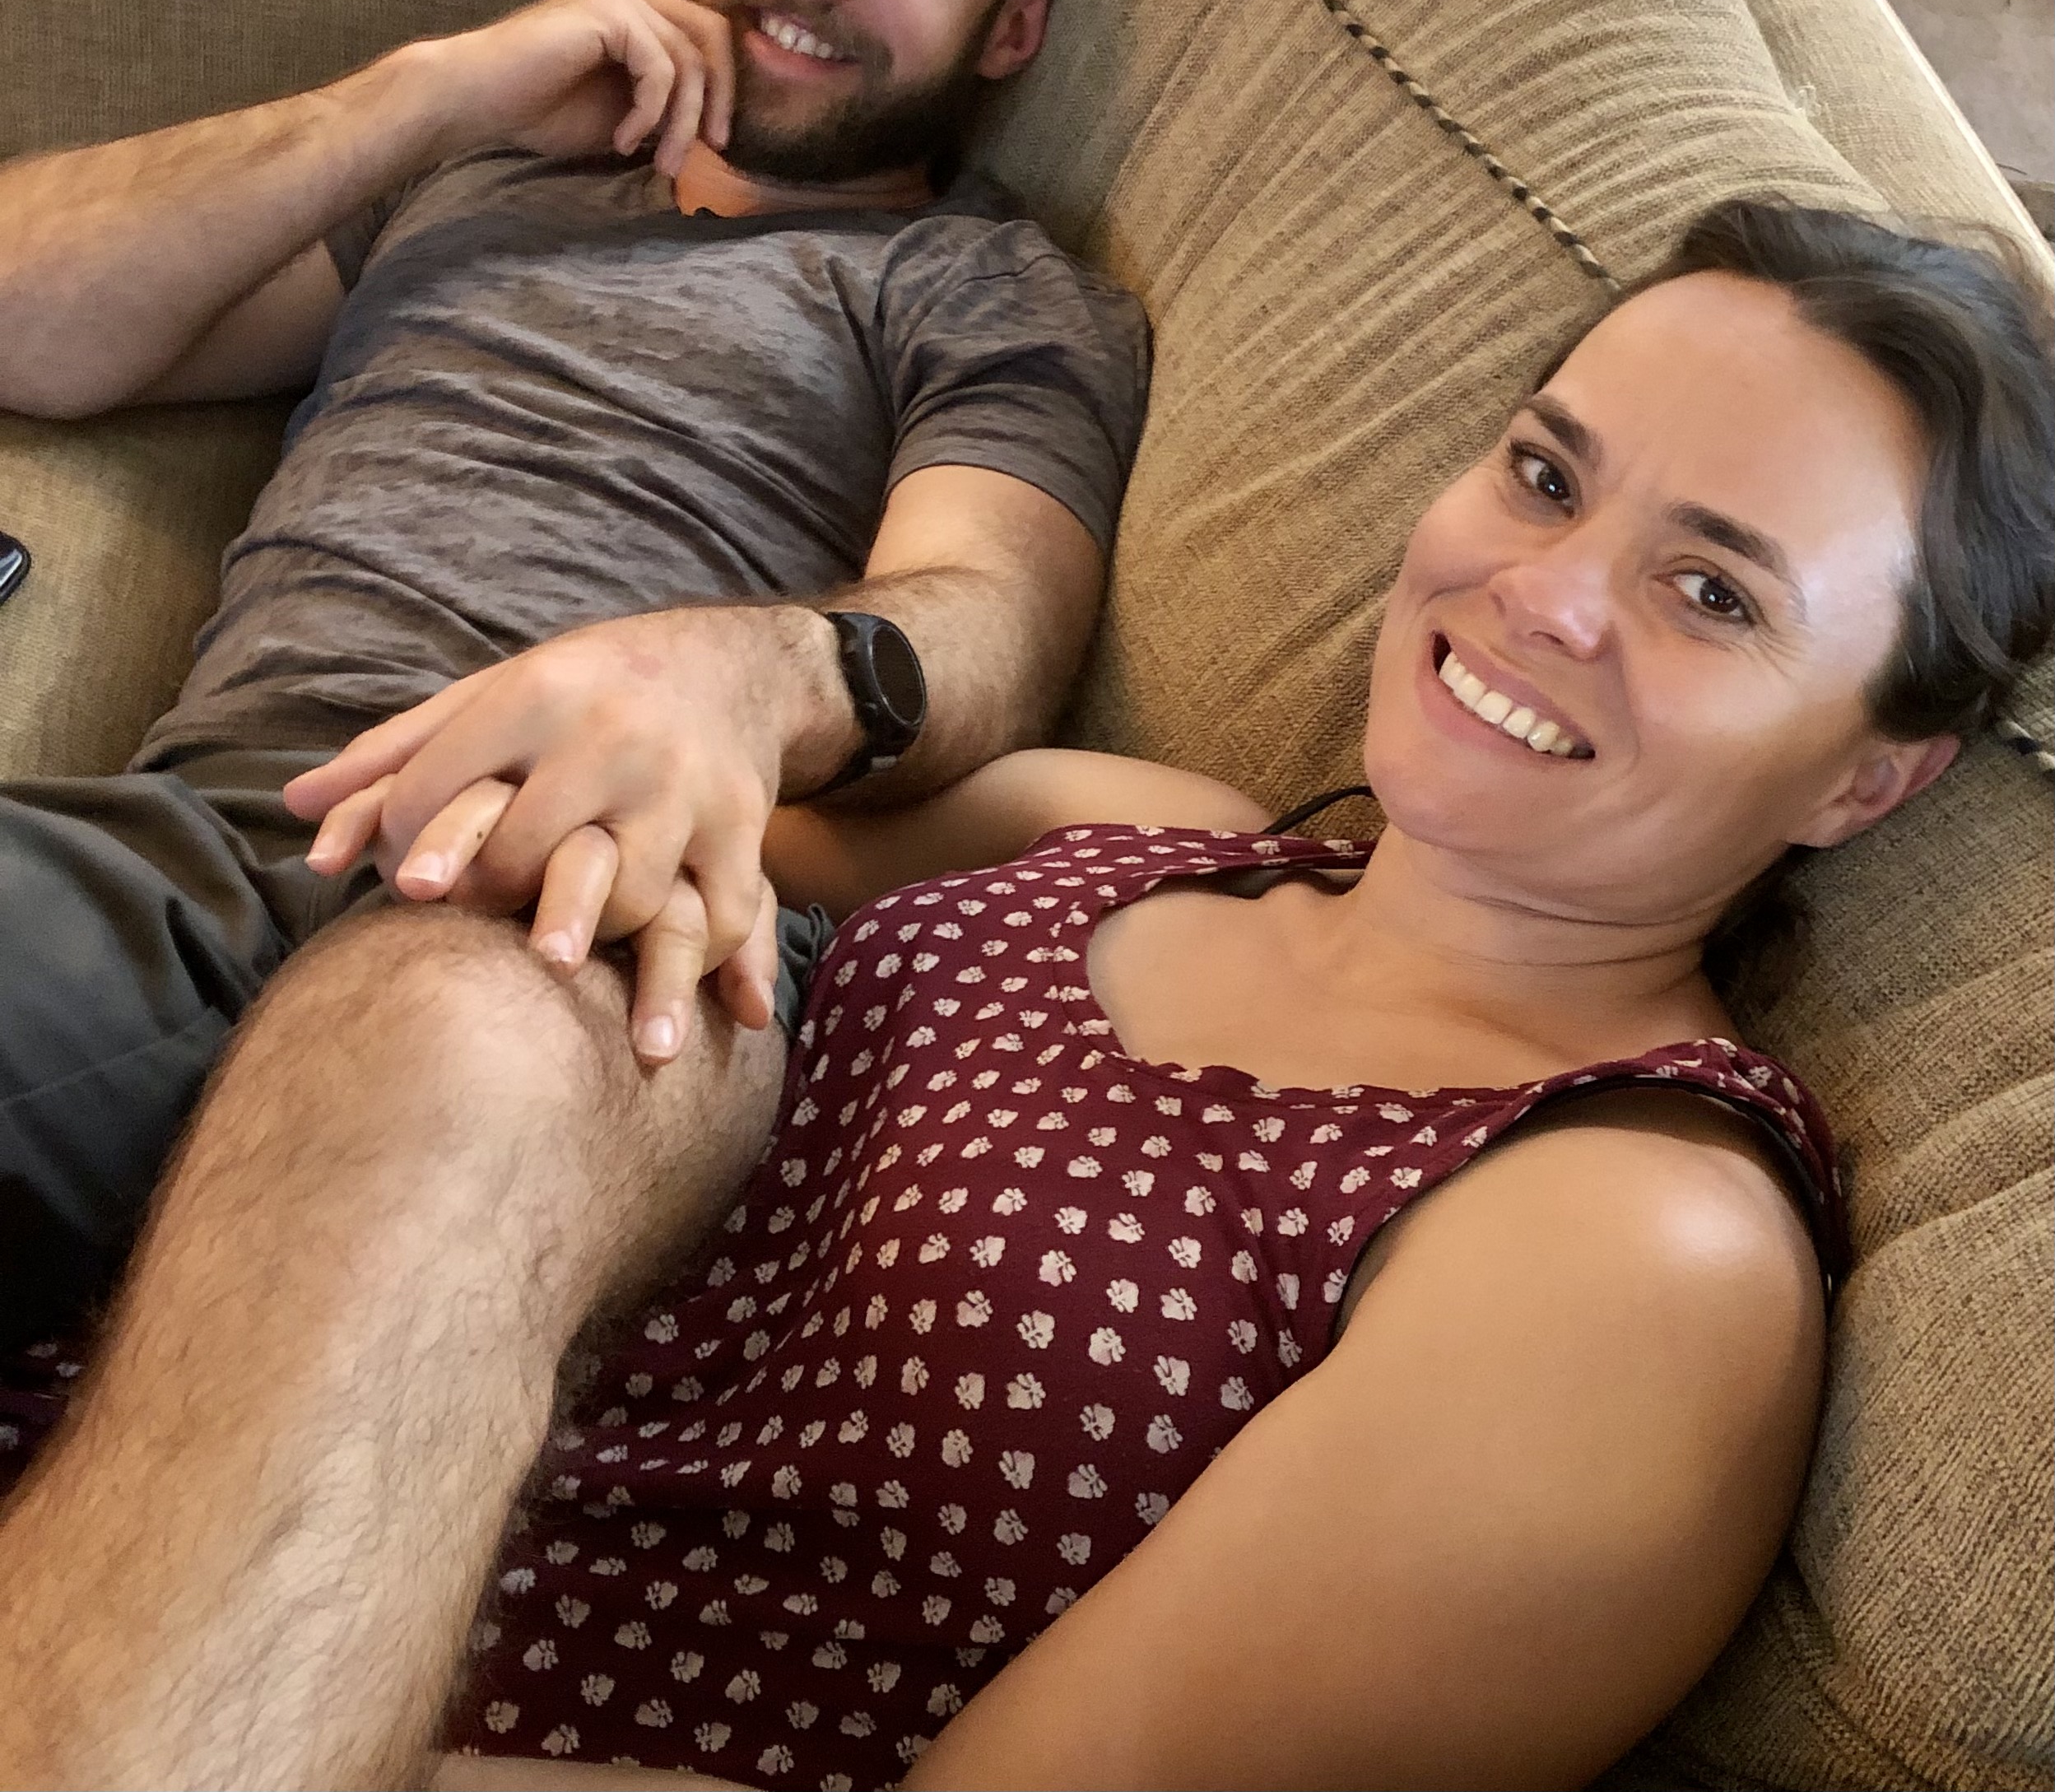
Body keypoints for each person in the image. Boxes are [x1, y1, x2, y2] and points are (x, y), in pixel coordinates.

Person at [3, 197, 2048, 1792]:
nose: (1541, 593)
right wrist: (691, 698)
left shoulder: (1632, 1249)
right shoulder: (1142, 828)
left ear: (1870, 776)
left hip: (333, 1721)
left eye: (1712, 591)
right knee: (468, 998)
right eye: (1541, 473)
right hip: (121, 1493)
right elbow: (593, 863)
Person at [0, 0, 1150, 1348]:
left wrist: (740, 675)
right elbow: (33, 324)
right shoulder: (481, 171)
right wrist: (433, 91)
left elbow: (995, 618)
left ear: (1014, 26)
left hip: (547, 899)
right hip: (230, 834)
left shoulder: (985, 287)